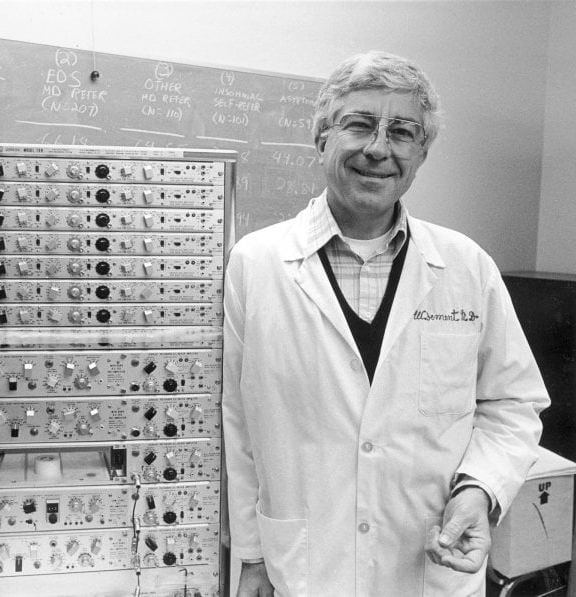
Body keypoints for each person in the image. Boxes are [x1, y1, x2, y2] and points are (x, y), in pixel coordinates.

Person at [222, 51, 550, 596]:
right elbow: (240, 422)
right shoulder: (255, 263)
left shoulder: (467, 266)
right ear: (321, 138)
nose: (379, 148)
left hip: (427, 568)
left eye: (403, 131)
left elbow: (512, 405)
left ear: (422, 152)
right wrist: (252, 556)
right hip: (304, 569)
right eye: (359, 124)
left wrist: (479, 490)